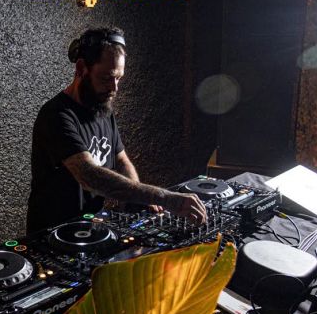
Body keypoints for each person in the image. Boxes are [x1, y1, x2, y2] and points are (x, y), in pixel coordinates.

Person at [26, 27, 208, 232]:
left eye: (118, 78)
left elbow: (121, 160)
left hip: (90, 229)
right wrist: (165, 198)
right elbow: (89, 175)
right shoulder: (56, 115)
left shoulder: (101, 108)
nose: (114, 88)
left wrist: (138, 200)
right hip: (53, 233)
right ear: (81, 68)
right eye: (106, 78)